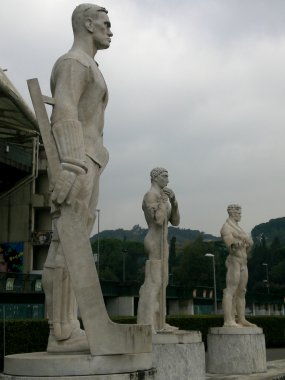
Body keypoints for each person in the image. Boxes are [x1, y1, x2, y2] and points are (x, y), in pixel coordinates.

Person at [41, 3, 113, 352]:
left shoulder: (90, 66)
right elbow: (65, 108)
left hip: (91, 158)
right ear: (87, 24)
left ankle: (69, 323)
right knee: (65, 240)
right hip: (79, 158)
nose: (110, 30)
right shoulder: (73, 62)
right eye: (105, 23)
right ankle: (62, 329)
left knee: (76, 241)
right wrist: (70, 162)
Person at [137, 167, 180, 332]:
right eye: (165, 176)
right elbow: (158, 220)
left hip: (163, 242)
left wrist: (174, 201)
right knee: (153, 282)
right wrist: (163, 202)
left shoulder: (163, 197)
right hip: (154, 241)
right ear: (155, 178)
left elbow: (175, 221)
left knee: (163, 282)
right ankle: (147, 322)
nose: (168, 180)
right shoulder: (150, 196)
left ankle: (160, 322)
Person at [221, 204, 256, 327]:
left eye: (240, 213)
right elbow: (230, 246)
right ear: (231, 213)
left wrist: (247, 242)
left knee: (241, 291)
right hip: (234, 261)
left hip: (243, 262)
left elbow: (249, 248)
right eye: (238, 213)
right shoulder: (226, 227)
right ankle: (228, 320)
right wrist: (238, 242)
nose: (240, 215)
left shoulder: (239, 229)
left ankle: (241, 319)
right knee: (230, 290)